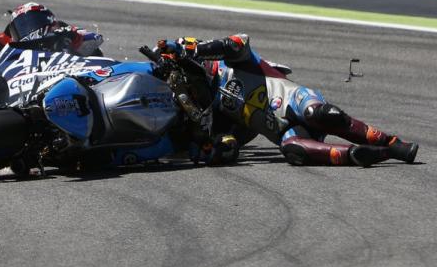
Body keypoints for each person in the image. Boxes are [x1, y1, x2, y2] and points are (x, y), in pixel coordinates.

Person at [156, 34, 419, 167]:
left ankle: (393, 143)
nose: (191, 90)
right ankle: (360, 156)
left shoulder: (235, 61)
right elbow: (229, 145)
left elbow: (236, 42)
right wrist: (212, 148)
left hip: (297, 100)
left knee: (322, 115)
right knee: (293, 150)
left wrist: (191, 48)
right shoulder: (213, 111)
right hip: (286, 130)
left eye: (188, 79)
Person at [0, 2, 104, 56]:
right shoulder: (16, 49)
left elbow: (96, 38)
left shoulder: (65, 33)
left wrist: (70, 36)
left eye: (30, 21)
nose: (26, 28)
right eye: (20, 26)